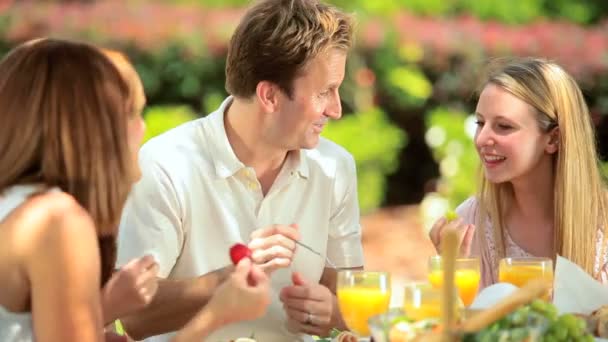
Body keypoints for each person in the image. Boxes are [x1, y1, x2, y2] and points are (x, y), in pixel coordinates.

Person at [116, 0, 364, 340]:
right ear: (270, 96)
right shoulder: (166, 165)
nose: (336, 109)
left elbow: (354, 301)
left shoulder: (334, 167)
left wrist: (330, 312)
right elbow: (133, 317)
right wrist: (229, 279)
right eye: (325, 92)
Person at [0, 38, 270, 342]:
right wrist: (216, 314)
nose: (142, 128)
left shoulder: (16, 205)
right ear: (97, 128)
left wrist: (104, 310)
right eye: (133, 114)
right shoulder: (58, 222)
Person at [429, 57, 608, 289]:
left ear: (553, 138)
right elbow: (456, 323)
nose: (482, 139)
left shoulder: (603, 224)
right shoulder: (471, 223)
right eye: (480, 123)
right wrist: (452, 274)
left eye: (504, 126)